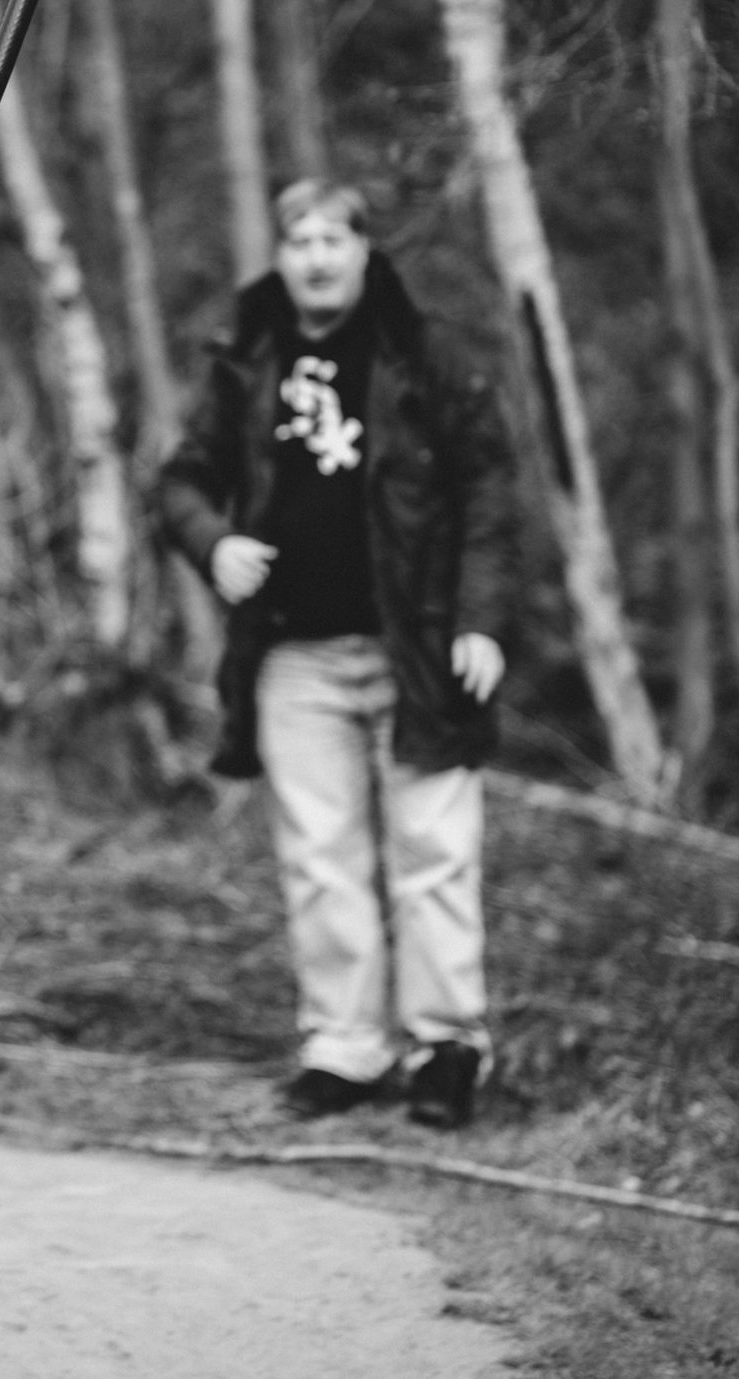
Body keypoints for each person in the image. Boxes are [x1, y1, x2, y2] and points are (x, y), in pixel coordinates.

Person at [151, 179, 514, 1130]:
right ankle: (346, 1047)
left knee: (434, 851)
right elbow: (183, 477)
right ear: (281, 252)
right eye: (299, 238)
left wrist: (480, 619)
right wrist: (212, 543)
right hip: (293, 654)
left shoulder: (419, 352)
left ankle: (446, 1046)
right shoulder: (246, 354)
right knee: (322, 856)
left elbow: (487, 487)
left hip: (418, 649)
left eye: (333, 239)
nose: (316, 256)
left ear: (363, 250)